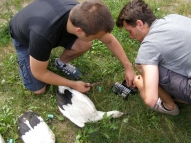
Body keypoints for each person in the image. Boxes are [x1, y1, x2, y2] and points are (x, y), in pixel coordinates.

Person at [9, 0, 135, 94]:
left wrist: (128, 68)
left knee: (85, 43)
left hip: (45, 26)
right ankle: (27, 58)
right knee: (39, 89)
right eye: (95, 37)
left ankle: (61, 63)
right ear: (79, 31)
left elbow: (110, 40)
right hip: (24, 39)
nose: (99, 39)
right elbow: (39, 73)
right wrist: (73, 84)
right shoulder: (42, 36)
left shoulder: (82, 13)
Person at [116, 0, 191, 115]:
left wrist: (142, 86)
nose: (131, 37)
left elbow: (150, 100)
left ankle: (169, 106)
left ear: (140, 24)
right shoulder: (173, 18)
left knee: (143, 66)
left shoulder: (148, 47)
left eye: (129, 31)